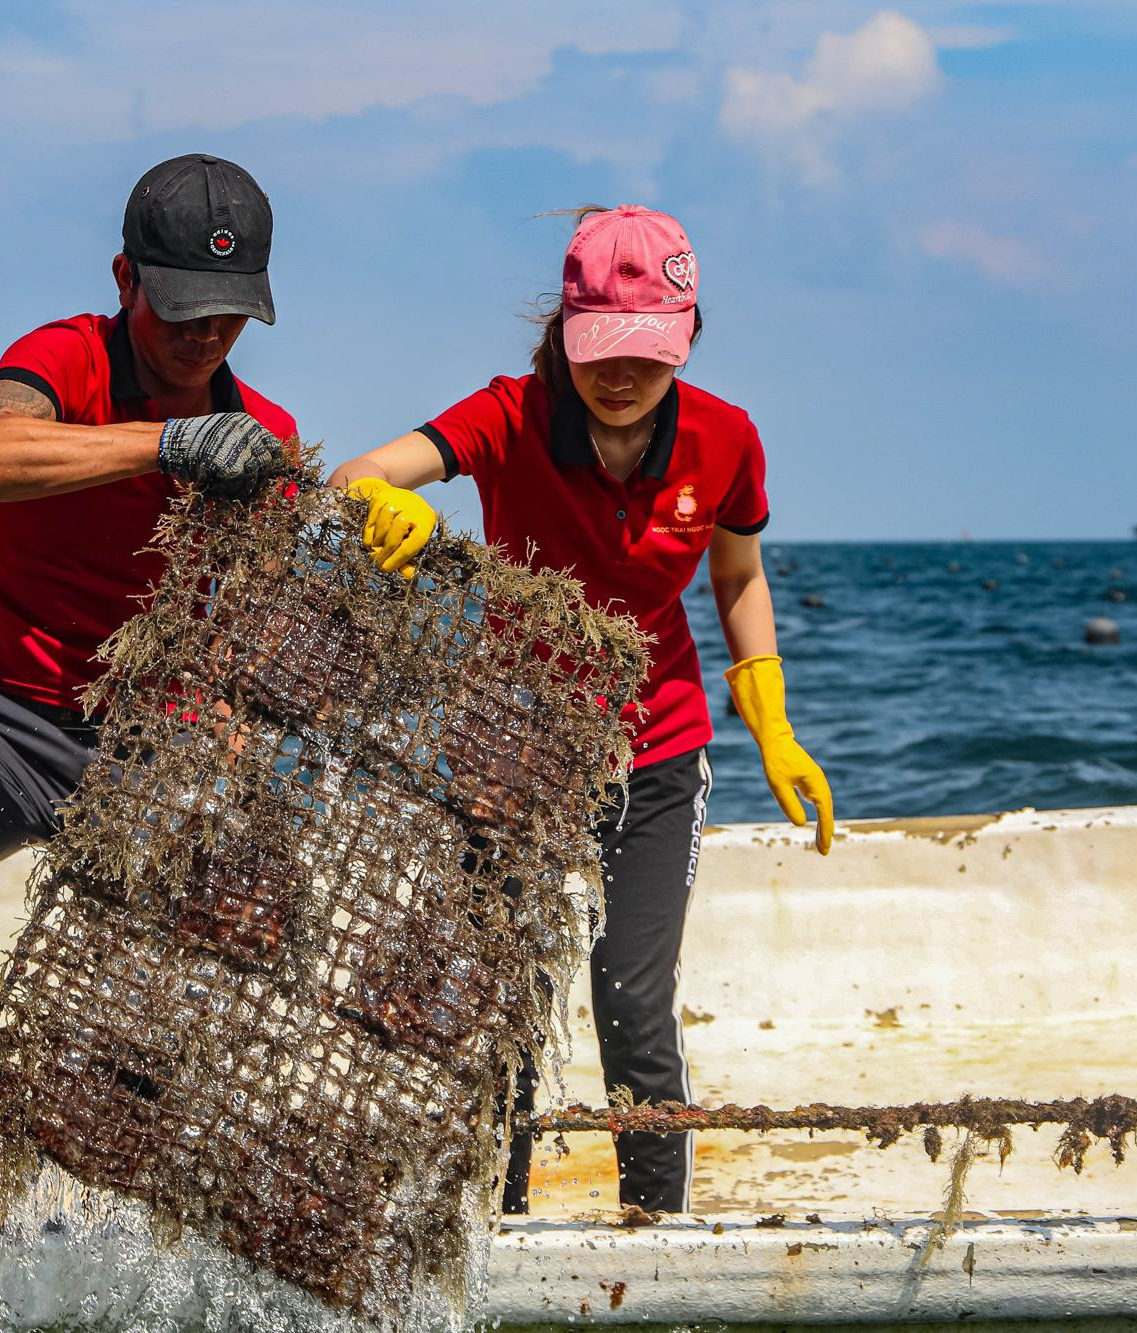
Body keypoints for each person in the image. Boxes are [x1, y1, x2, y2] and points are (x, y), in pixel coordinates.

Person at [329, 204, 833, 1215]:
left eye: (646, 352)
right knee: (497, 995)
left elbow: (737, 575)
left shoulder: (726, 439)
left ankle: (656, 1226)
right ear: (564, 330)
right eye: (600, 347)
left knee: (632, 1000)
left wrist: (771, 723)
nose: (620, 374)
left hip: (659, 749)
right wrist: (387, 501)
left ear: (687, 334)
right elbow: (358, 474)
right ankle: (494, 1220)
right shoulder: (508, 414)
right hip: (509, 746)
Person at [0, 154, 297, 1235]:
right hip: (6, 718)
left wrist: (233, 724)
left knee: (255, 906)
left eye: (228, 315)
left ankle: (164, 1147)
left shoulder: (262, 434)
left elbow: (258, 622)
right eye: (181, 308)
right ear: (124, 278)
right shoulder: (64, 360)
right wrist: (164, 444)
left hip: (158, 737)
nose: (205, 335)